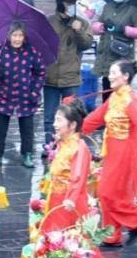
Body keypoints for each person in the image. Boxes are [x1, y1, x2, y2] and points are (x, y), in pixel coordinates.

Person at [82, 58, 137, 245]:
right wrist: (75, 127)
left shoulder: (129, 99)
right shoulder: (114, 97)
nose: (110, 76)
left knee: (107, 192)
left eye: (114, 73)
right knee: (112, 192)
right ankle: (112, 235)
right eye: (110, 72)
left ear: (125, 76)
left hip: (124, 150)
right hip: (112, 148)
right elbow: (97, 117)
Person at [0, 22, 45, 164]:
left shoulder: (32, 51)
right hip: (2, 93)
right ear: (9, 35)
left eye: (20, 35)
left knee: (27, 128)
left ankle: (27, 154)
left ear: (24, 37)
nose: (17, 39)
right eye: (14, 35)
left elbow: (40, 72)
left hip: (25, 95)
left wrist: (34, 91)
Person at [37, 98, 95, 235]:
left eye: (59, 120)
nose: (55, 124)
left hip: (69, 203)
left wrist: (71, 199)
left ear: (72, 124)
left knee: (68, 241)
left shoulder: (79, 147)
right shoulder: (62, 143)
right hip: (56, 199)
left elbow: (78, 177)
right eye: (55, 120)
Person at [42, 0, 94, 135]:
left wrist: (79, 31)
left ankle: (71, 148)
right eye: (67, 4)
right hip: (50, 78)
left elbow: (87, 44)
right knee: (49, 118)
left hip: (71, 78)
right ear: (61, 5)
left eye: (72, 4)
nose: (70, 7)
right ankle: (49, 147)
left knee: (72, 116)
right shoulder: (49, 21)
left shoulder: (81, 22)